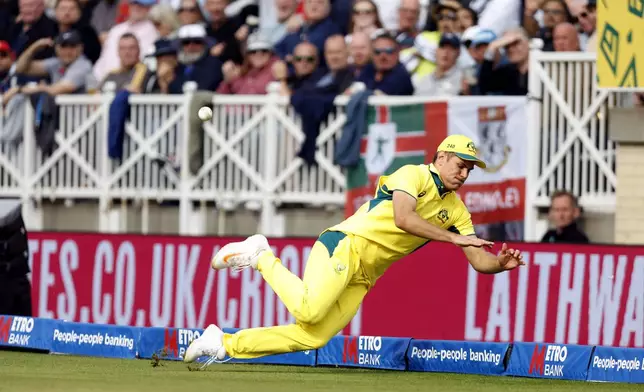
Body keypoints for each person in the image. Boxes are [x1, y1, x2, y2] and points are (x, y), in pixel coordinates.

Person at [184, 134, 525, 365]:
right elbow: (404, 218)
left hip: (364, 275)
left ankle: (223, 343)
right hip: (345, 245)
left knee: (313, 337)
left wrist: (498, 264)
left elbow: (477, 259)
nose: (464, 173)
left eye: (469, 169)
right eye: (460, 164)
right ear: (442, 157)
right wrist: (453, 238)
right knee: (308, 310)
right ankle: (261, 255)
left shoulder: (457, 210)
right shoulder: (413, 175)